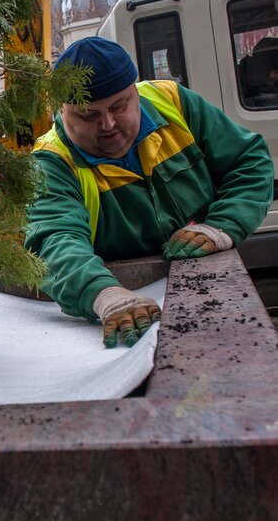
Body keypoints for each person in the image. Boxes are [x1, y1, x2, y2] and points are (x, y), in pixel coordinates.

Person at [25, 36, 274, 348]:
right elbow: (55, 239)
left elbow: (249, 161)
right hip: (130, 309)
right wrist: (104, 294)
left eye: (119, 106)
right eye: (88, 115)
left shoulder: (172, 102)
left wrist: (223, 224)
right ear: (61, 111)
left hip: (216, 286)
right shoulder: (52, 162)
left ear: (135, 91)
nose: (108, 124)